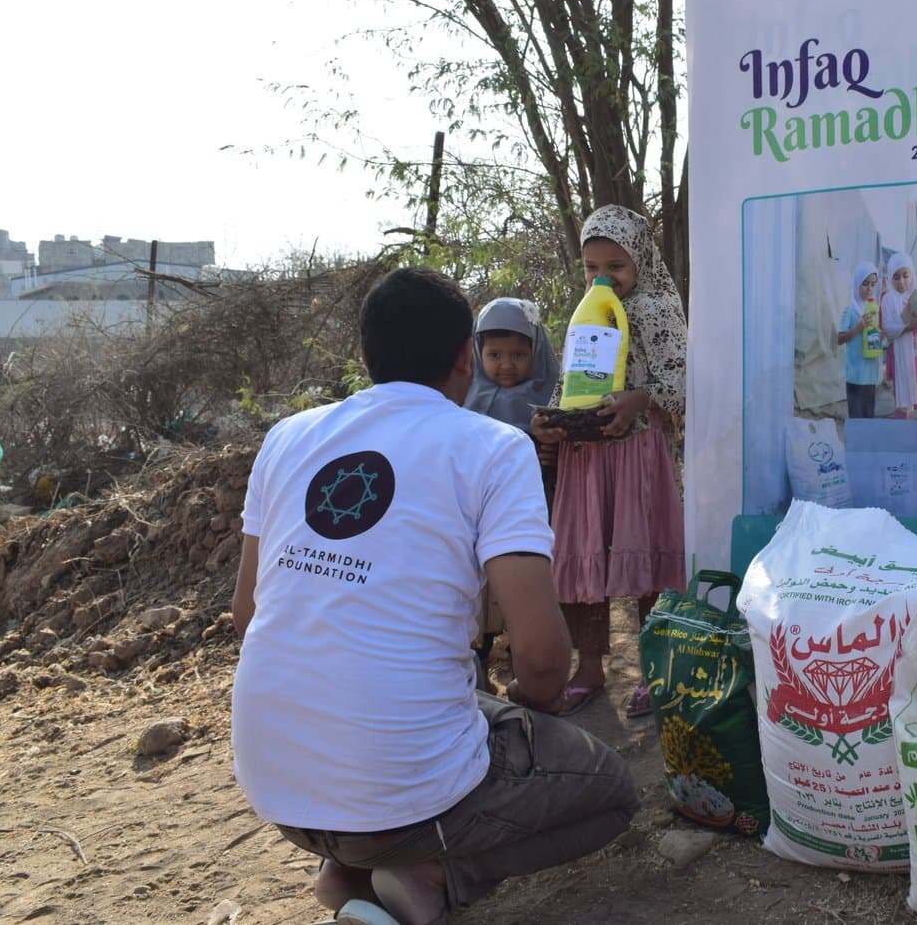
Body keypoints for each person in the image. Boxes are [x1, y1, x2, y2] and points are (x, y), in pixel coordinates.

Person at [231, 267, 636, 925]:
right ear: (463, 359)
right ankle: (430, 873)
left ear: (366, 356)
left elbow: (248, 615)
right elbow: (539, 658)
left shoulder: (287, 438)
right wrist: (530, 714)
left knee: (446, 702)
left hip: (276, 791)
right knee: (612, 793)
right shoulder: (494, 448)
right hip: (403, 798)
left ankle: (350, 869)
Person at [531, 205, 687, 719]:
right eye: (591, 268)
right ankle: (591, 668)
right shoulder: (587, 312)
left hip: (638, 455)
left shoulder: (658, 309)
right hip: (587, 456)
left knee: (644, 567)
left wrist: (638, 399)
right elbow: (570, 381)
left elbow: (684, 382)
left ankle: (655, 670)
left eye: (615, 267)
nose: (603, 279)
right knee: (584, 563)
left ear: (641, 260)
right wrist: (552, 420)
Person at [463, 296, 561, 692]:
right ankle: (480, 671)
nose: (506, 364)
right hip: (478, 516)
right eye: (495, 354)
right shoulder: (467, 399)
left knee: (528, 599)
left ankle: (529, 676)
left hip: (529, 516)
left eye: (519, 354)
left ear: (536, 353)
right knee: (482, 598)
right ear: (476, 353)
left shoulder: (551, 397)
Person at [880, 251, 917, 419]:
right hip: (899, 359)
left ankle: (916, 437)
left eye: (905, 275)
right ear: (890, 278)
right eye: (896, 277)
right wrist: (908, 326)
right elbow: (888, 328)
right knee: (902, 404)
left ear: (912, 274)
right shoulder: (888, 299)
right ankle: (902, 436)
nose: (901, 282)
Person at [835, 261, 883, 419]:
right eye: (865, 284)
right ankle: (856, 445)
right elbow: (840, 339)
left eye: (873, 284)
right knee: (856, 419)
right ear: (857, 284)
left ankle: (867, 445)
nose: (869, 289)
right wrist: (858, 327)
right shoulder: (850, 310)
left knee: (869, 417)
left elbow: (876, 334)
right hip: (855, 375)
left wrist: (879, 335)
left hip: (871, 374)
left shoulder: (874, 308)